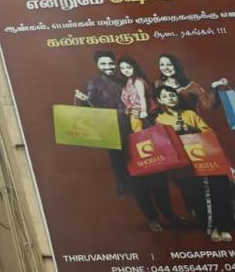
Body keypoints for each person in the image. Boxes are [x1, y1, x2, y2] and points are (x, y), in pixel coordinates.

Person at [75, 51, 183, 231]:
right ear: (97, 65)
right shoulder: (93, 84)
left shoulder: (125, 78)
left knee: (159, 173)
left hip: (143, 130)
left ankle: (169, 214)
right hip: (120, 137)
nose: (108, 67)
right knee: (137, 179)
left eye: (111, 63)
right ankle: (152, 218)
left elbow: (143, 100)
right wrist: (84, 101)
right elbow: (93, 112)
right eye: (104, 64)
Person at [151, 85, 235, 242]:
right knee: (198, 196)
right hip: (184, 166)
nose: (170, 97)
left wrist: (192, 128)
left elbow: (209, 132)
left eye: (172, 94)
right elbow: (161, 145)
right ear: (160, 100)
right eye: (166, 96)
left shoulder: (190, 113)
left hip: (204, 158)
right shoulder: (160, 120)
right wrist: (176, 133)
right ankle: (212, 228)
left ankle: (223, 227)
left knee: (219, 189)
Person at [155, 53, 228, 113]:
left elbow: (208, 106)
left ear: (176, 66)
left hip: (192, 123)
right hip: (168, 124)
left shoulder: (192, 85)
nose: (165, 68)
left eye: (169, 65)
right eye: (162, 65)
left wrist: (215, 86)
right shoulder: (158, 84)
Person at [118, 56, 155, 131]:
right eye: (122, 68)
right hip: (133, 112)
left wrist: (143, 112)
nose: (125, 70)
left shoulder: (138, 81)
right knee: (137, 131)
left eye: (128, 67)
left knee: (141, 132)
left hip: (140, 112)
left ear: (134, 67)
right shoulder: (129, 81)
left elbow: (142, 97)